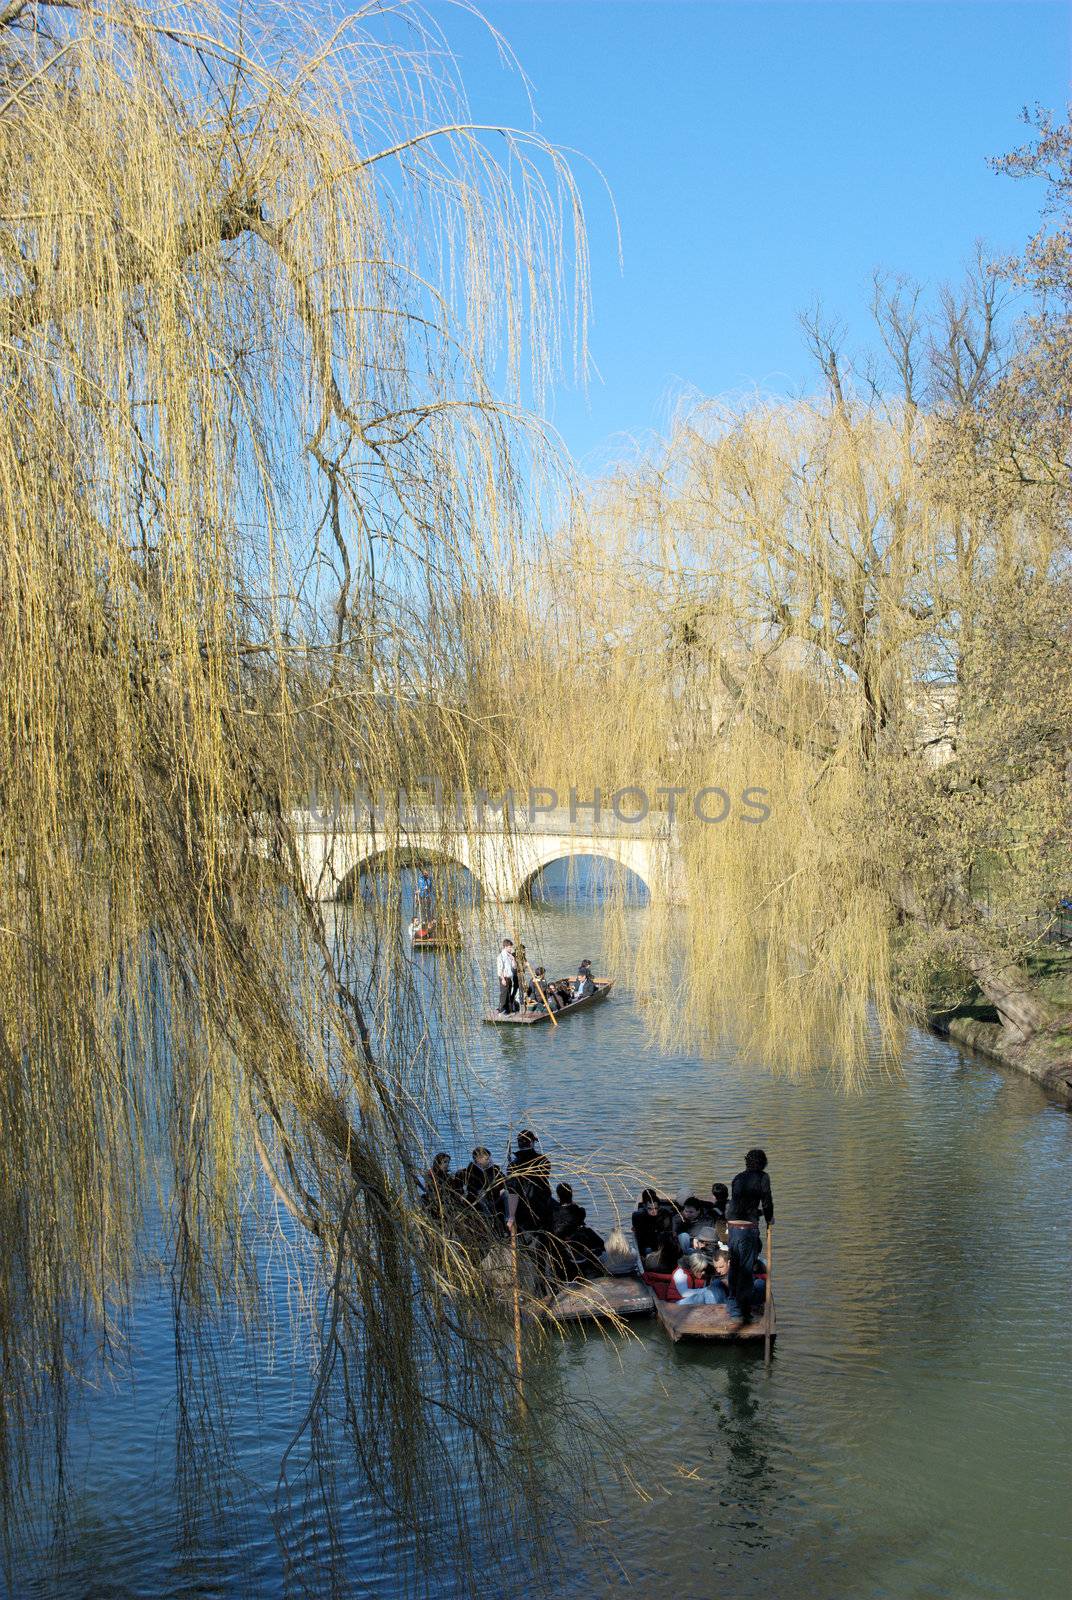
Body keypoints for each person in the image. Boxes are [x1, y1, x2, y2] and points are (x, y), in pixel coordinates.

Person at [728, 1147, 773, 1323]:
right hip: (747, 1229)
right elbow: (767, 1202)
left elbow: (741, 1206)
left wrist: (759, 1214)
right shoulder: (763, 1178)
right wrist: (769, 1218)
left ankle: (733, 1306)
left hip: (732, 1225)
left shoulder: (738, 1178)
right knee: (746, 1270)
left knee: (735, 1266)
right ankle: (743, 1312)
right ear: (763, 1164)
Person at [505, 1129, 553, 1235]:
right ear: (531, 1143)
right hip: (542, 1206)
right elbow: (544, 1177)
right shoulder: (544, 1161)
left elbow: (512, 1192)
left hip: (522, 1207)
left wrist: (511, 1216)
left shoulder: (512, 1166)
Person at [459, 1146, 505, 1225]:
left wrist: (501, 1189)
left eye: (489, 1158)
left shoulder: (495, 1169)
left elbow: (503, 1181)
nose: (489, 1160)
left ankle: (509, 1219)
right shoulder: (470, 1171)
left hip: (494, 1196)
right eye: (487, 1159)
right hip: (479, 1199)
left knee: (507, 1193)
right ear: (478, 1159)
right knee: (481, 1193)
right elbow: (471, 1188)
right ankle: (488, 1217)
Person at [496, 939, 518, 1014]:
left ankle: (508, 1010)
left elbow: (514, 967)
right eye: (509, 947)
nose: (511, 949)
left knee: (508, 993)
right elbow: (500, 969)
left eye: (511, 947)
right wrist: (502, 979)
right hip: (504, 977)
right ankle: (501, 1010)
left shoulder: (510, 956)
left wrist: (513, 959)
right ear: (505, 947)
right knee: (504, 994)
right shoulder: (501, 956)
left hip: (509, 977)